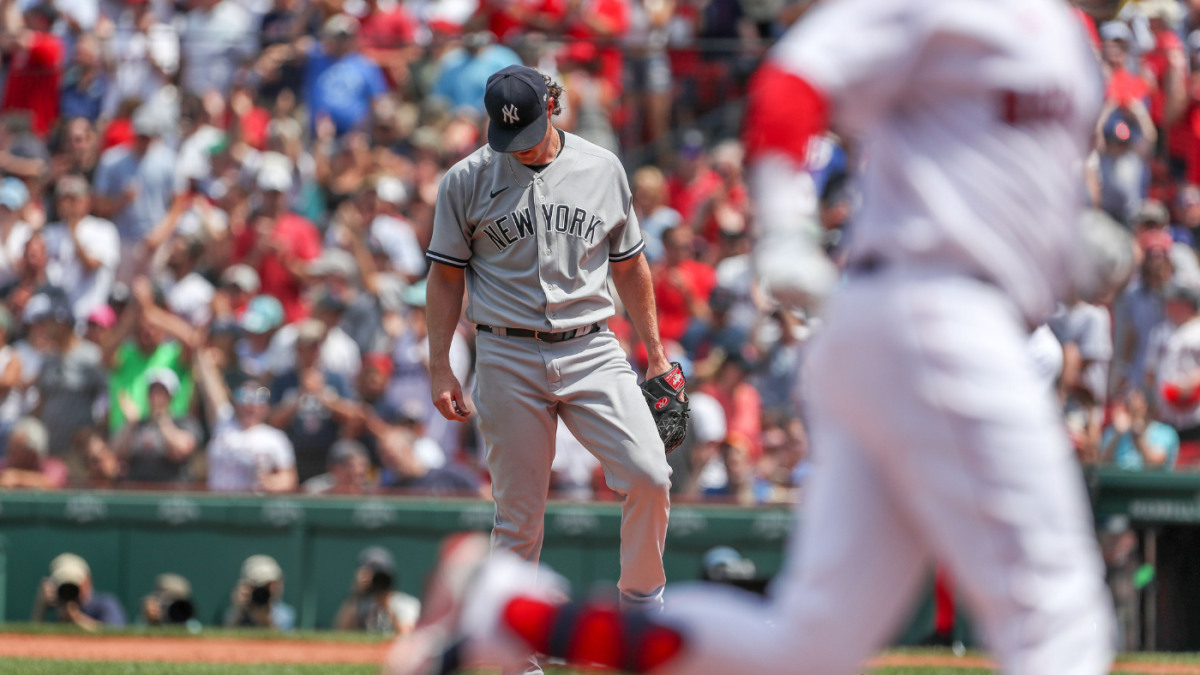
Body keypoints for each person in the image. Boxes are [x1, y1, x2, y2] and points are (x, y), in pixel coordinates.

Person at [387, 2, 1116, 675]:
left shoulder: (1070, 40)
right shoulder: (958, 9)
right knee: (1060, 616)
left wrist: (1062, 233)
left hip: (910, 322)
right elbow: (794, 80)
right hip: (934, 307)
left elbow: (1006, 166)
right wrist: (785, 222)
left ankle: (510, 610)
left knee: (808, 643)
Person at [424, 64, 675, 633]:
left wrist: (655, 354)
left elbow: (630, 264)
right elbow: (444, 279)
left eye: (530, 129)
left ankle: (640, 615)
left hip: (592, 347)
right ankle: (517, 656)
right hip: (507, 355)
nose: (520, 145)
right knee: (519, 520)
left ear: (554, 105)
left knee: (649, 476)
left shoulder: (601, 167)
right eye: (508, 134)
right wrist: (441, 366)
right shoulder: (465, 180)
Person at [196, 346, 297, 493]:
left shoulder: (274, 438)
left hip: (250, 507)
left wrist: (272, 483)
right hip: (218, 504)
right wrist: (202, 353)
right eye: (243, 397)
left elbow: (289, 477)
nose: (250, 405)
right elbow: (211, 388)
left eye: (257, 398)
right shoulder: (224, 422)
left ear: (265, 406)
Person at [41, 175, 120, 322]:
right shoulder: (49, 233)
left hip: (90, 317)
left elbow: (90, 265)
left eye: (72, 199)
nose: (65, 204)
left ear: (86, 201)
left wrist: (73, 231)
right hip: (56, 317)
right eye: (62, 199)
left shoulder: (103, 230)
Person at [112, 367, 202, 483]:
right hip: (137, 489)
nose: (156, 396)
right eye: (153, 391)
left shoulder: (184, 421)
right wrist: (130, 424)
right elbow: (117, 453)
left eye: (161, 391)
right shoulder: (137, 423)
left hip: (171, 491)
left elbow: (181, 450)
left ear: (171, 395)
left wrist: (162, 420)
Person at [334, 546, 421, 634]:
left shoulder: (406, 604)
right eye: (371, 574)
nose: (377, 581)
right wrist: (356, 594)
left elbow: (408, 635)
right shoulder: (357, 604)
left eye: (381, 576)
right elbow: (339, 634)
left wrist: (387, 606)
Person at [31, 553, 126, 628]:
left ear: (87, 582)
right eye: (64, 584)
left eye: (74, 584)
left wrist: (76, 619)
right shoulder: (56, 608)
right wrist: (40, 606)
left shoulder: (105, 604)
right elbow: (34, 643)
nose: (68, 591)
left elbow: (117, 634)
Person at [1101, 388, 1179, 471]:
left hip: (1151, 483)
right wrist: (1117, 435)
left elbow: (1155, 465)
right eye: (1129, 405)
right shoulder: (1114, 431)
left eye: (1137, 408)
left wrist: (1138, 436)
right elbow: (1102, 463)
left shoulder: (1165, 432)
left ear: (1147, 407)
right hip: (1118, 482)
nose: (1132, 411)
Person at [224, 554, 296, 629]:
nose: (264, 590)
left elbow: (284, 638)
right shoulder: (236, 612)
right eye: (261, 585)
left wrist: (266, 621)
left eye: (270, 584)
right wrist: (238, 610)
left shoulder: (285, 613)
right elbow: (226, 636)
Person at [0, 416, 66, 488]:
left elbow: (52, 483)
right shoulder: (3, 465)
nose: (11, 450)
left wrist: (18, 478)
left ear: (33, 451)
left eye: (19, 448)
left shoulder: (54, 466)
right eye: (12, 445)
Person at [303, 438, 372, 494]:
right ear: (332, 469)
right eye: (347, 465)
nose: (356, 470)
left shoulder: (372, 494)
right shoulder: (314, 491)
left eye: (360, 475)